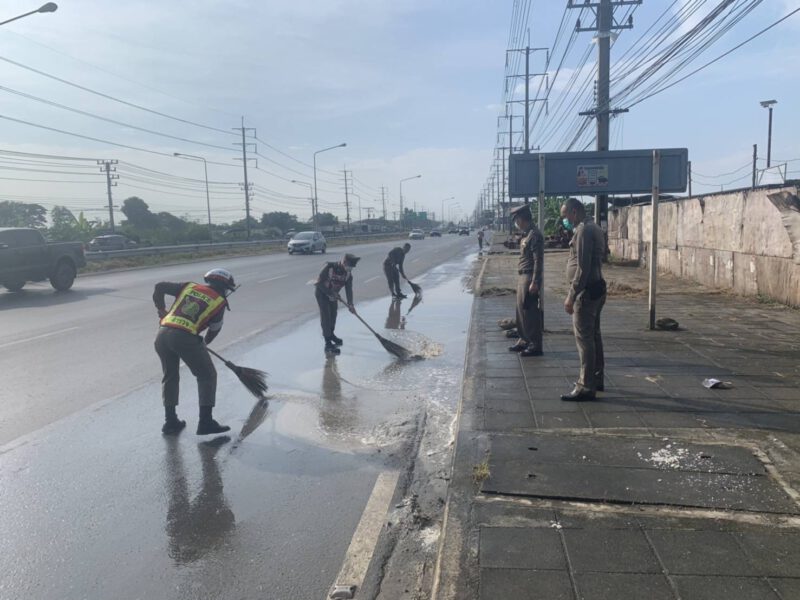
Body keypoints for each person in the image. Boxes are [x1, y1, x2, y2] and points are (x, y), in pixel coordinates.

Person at [153, 268, 237, 435]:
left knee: (170, 376)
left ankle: (170, 422)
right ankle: (206, 423)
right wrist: (204, 343)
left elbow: (159, 286)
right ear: (224, 287)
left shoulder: (189, 287)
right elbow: (214, 329)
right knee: (207, 376)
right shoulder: (219, 301)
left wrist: (162, 310)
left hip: (162, 334)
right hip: (184, 338)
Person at [560, 198, 607, 401]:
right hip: (596, 288)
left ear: (574, 211)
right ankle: (596, 378)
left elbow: (582, 267)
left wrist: (571, 295)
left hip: (586, 292)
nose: (565, 220)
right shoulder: (594, 227)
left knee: (584, 339)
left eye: (565, 215)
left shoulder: (584, 230)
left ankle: (586, 386)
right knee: (594, 336)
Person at [508, 204, 544, 357]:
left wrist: (535, 281)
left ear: (522, 219)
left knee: (530, 313)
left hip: (530, 276)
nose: (516, 223)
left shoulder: (534, 235)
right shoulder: (526, 235)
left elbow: (538, 260)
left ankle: (535, 344)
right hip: (523, 275)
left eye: (517, 219)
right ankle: (524, 340)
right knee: (521, 311)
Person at [315, 253, 360, 355]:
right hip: (322, 293)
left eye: (352, 268)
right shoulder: (329, 267)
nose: (350, 269)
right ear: (343, 262)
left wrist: (350, 304)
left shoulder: (348, 275)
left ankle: (331, 334)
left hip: (334, 295)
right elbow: (318, 283)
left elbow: (349, 290)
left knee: (333, 315)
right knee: (326, 316)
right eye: (349, 266)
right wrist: (330, 293)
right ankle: (328, 343)